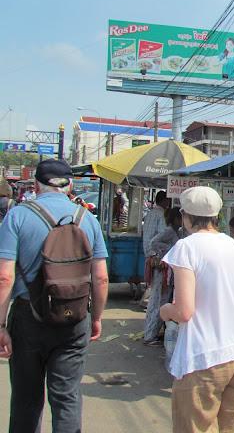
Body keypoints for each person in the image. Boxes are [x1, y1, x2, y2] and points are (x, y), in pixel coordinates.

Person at [0, 159, 109, 433]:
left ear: (36, 185)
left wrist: (1, 326)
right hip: (75, 317)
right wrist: (96, 317)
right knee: (67, 398)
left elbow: (4, 277)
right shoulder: (88, 219)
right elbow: (101, 277)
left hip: (28, 317)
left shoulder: (17, 215)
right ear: (70, 185)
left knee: (26, 399)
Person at [159, 186, 234, 433]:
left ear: (186, 216)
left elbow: (184, 312)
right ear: (216, 216)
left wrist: (165, 310)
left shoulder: (186, 247)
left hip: (203, 357)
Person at [143, 206, 182, 346]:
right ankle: (150, 335)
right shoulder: (169, 232)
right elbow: (153, 243)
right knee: (158, 302)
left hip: (168, 273)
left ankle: (152, 333)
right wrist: (162, 254)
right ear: (177, 219)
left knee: (162, 301)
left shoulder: (176, 232)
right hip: (162, 272)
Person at [142, 190, 171, 345]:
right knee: (158, 298)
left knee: (156, 297)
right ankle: (150, 334)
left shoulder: (151, 214)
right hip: (158, 261)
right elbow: (157, 239)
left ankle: (150, 332)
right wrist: (156, 255)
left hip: (152, 258)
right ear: (165, 201)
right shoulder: (160, 216)